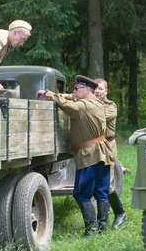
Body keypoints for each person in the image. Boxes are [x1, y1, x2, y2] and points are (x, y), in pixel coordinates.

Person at [40, 75, 114, 236]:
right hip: (103, 152)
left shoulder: (82, 107)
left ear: (87, 90)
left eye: (76, 88)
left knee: (81, 193)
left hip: (89, 155)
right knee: (101, 190)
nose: (73, 91)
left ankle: (91, 229)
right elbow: (73, 97)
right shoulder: (96, 102)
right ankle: (102, 227)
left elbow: (66, 104)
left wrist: (50, 94)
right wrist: (65, 94)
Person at [94, 78, 127, 229]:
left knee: (106, 184)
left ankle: (120, 213)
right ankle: (102, 220)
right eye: (95, 88)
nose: (97, 91)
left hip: (107, 145)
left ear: (106, 91)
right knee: (96, 184)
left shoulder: (110, 106)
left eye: (100, 89)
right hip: (94, 147)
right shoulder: (90, 103)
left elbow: (100, 118)